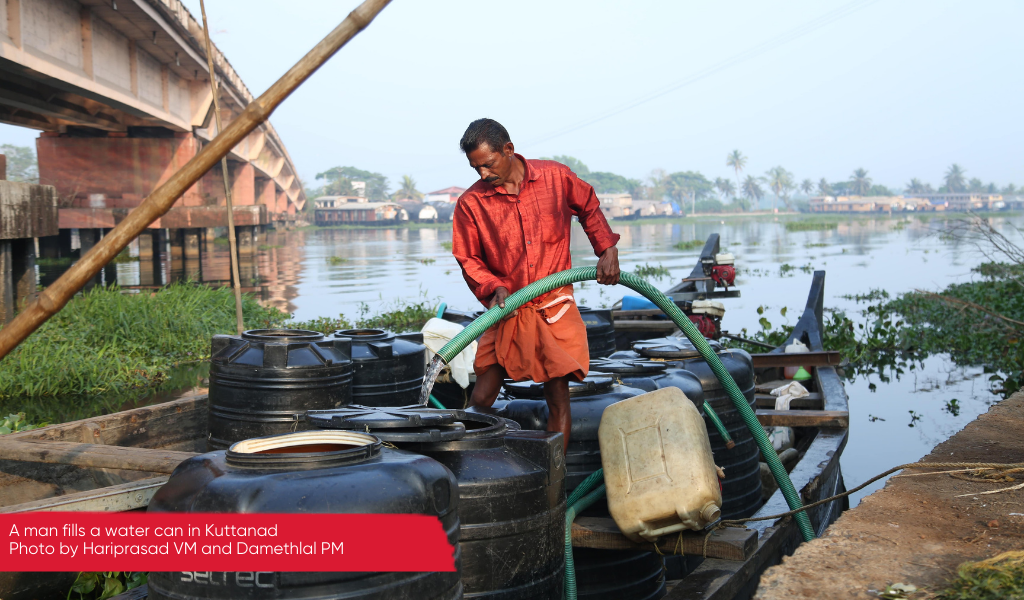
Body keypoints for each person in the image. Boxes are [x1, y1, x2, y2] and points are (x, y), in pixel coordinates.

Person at [451, 118, 621, 450]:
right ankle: (466, 460)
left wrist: (608, 249)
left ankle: (553, 473)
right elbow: (467, 258)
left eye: (487, 165)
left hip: (553, 305)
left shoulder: (556, 177)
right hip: (506, 308)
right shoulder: (471, 203)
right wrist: (492, 286)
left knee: (558, 395)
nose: (483, 175)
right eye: (476, 169)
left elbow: (588, 206)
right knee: (483, 393)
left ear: (508, 150)